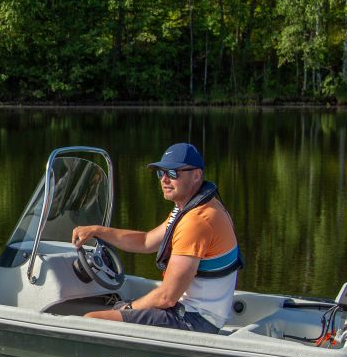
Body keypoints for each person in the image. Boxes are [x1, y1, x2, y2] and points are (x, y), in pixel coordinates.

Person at [71, 142, 240, 333]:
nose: (165, 179)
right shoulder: (190, 207)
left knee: (90, 320)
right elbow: (146, 241)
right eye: (161, 173)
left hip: (195, 320)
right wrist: (98, 231)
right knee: (116, 307)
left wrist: (129, 308)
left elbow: (167, 297)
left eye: (174, 173)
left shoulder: (196, 221)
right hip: (194, 312)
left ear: (196, 175)